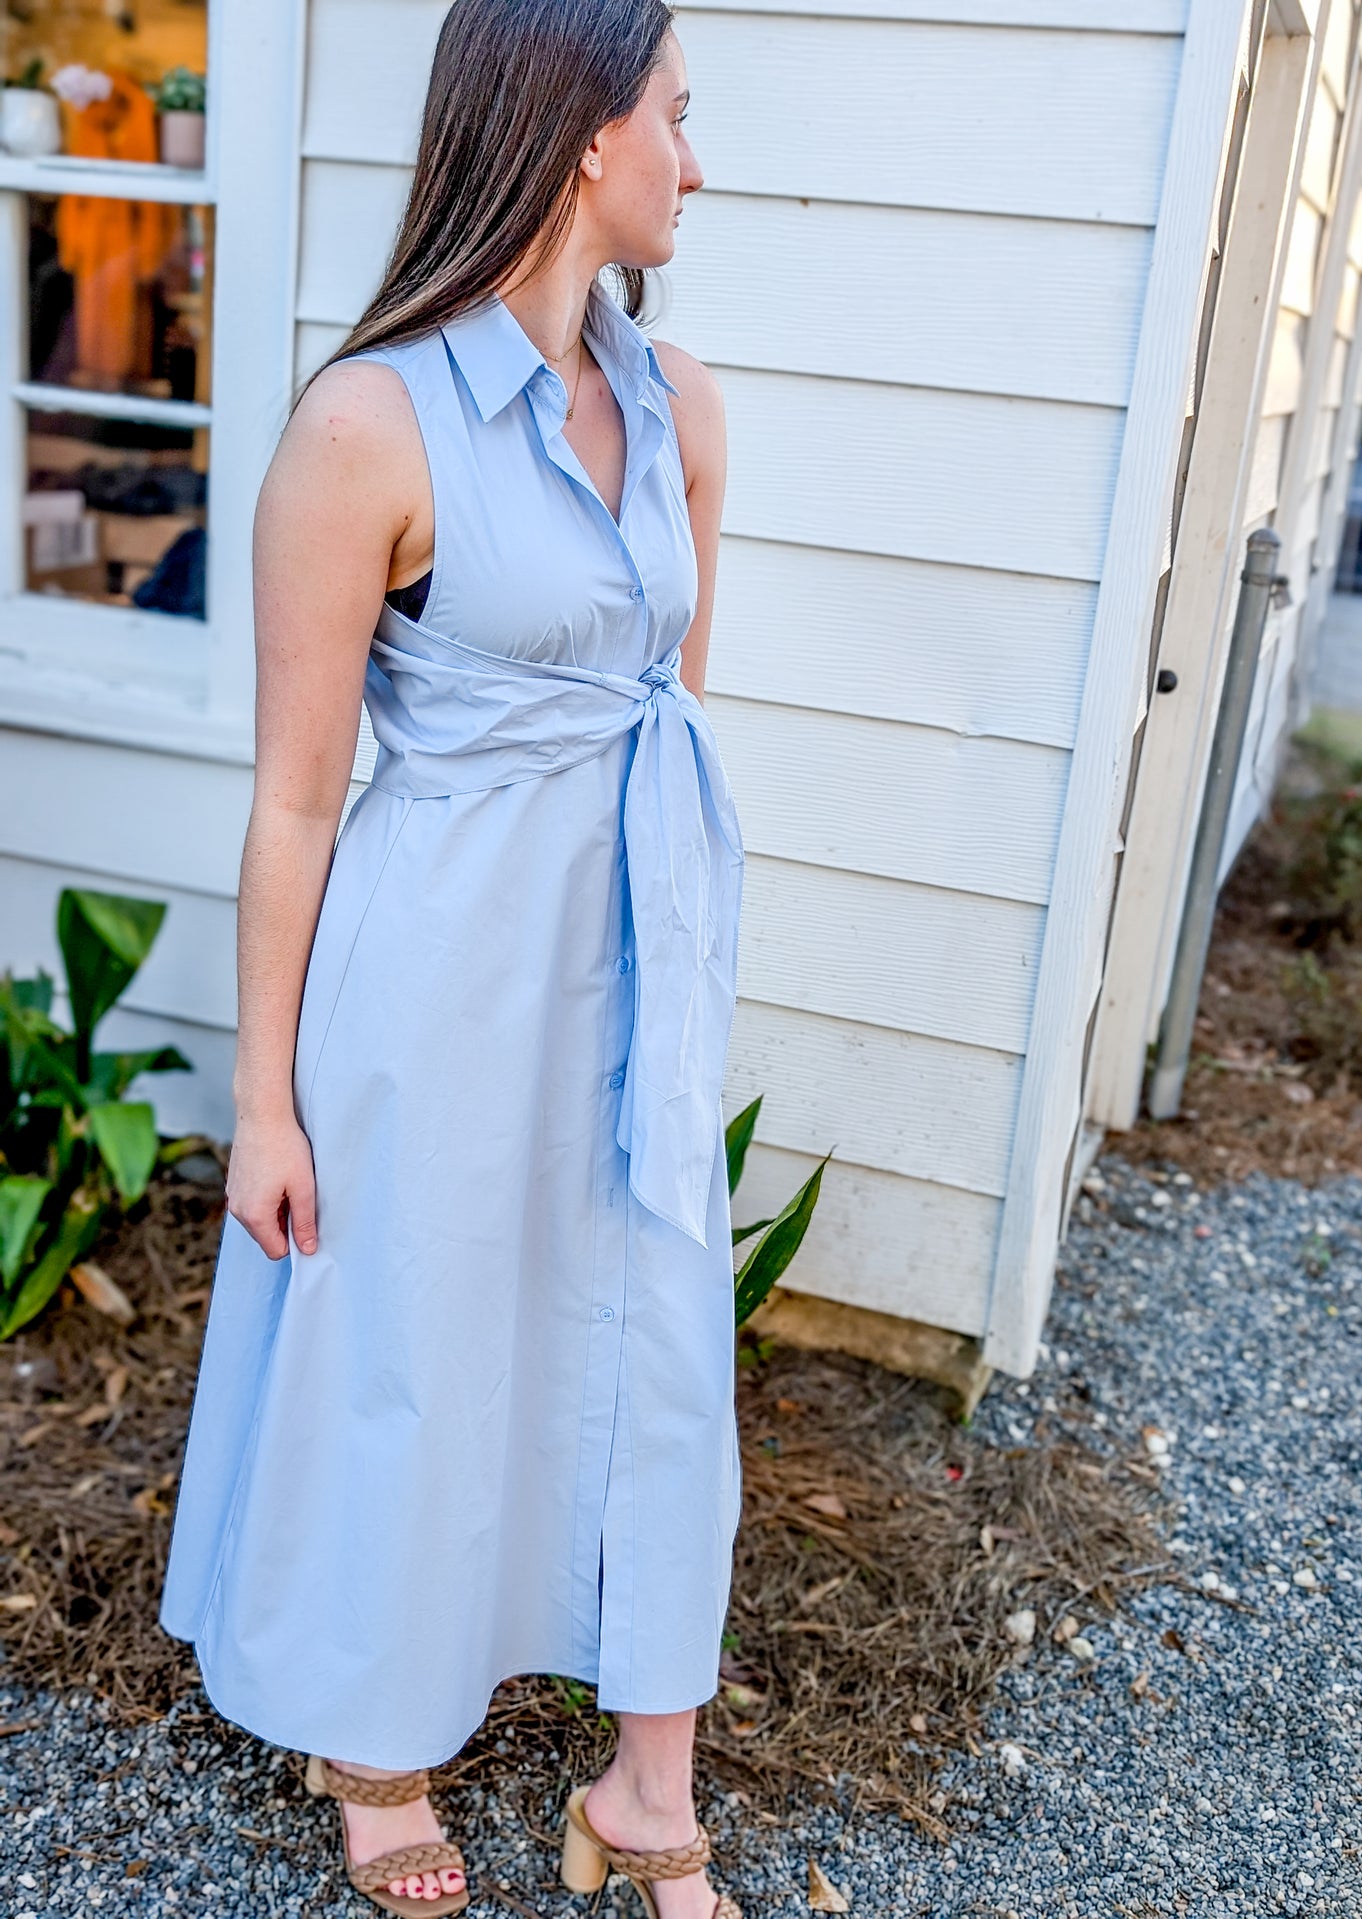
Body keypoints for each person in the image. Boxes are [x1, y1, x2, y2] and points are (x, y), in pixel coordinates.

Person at [157, 4, 747, 1915]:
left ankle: (643, 1783)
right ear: (582, 135)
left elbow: (674, 709)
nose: (695, 155)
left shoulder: (683, 416)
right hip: (430, 977)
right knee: (413, 1335)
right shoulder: (367, 424)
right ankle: (379, 1742)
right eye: (675, 115)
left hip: (626, 968)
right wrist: (264, 1101)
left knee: (641, 1330)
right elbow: (299, 799)